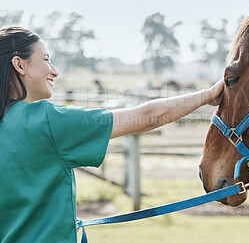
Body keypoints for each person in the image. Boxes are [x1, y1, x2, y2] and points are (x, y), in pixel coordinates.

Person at [0, 26, 224, 242]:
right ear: (19, 64)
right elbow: (147, 117)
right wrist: (207, 95)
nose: (55, 70)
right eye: (46, 59)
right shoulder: (47, 121)